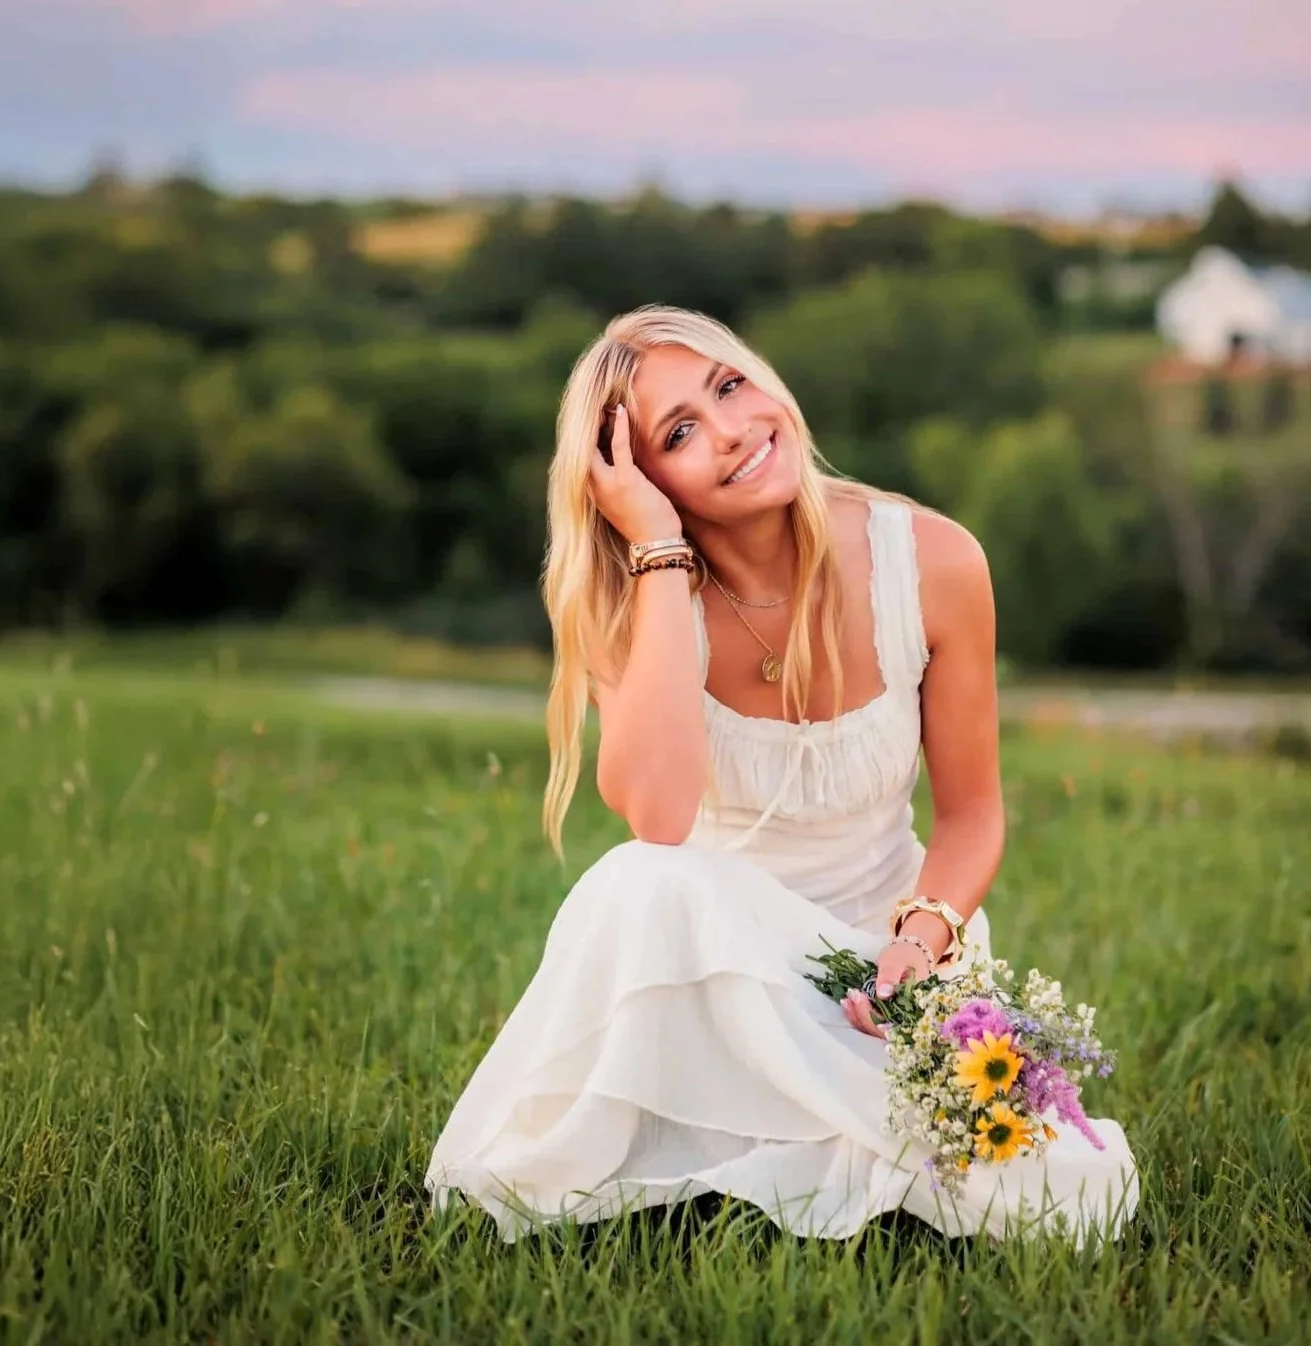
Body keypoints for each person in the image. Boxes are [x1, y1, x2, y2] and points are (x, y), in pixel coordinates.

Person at [423, 304, 1138, 1242]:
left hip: (879, 968)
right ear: (636, 476)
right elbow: (658, 814)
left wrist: (916, 956)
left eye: (730, 386)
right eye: (677, 433)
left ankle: (779, 1136)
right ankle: (728, 1139)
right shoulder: (626, 602)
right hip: (712, 973)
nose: (730, 431)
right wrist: (658, 555)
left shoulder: (932, 560)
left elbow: (970, 816)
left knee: (1059, 1194)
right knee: (641, 879)